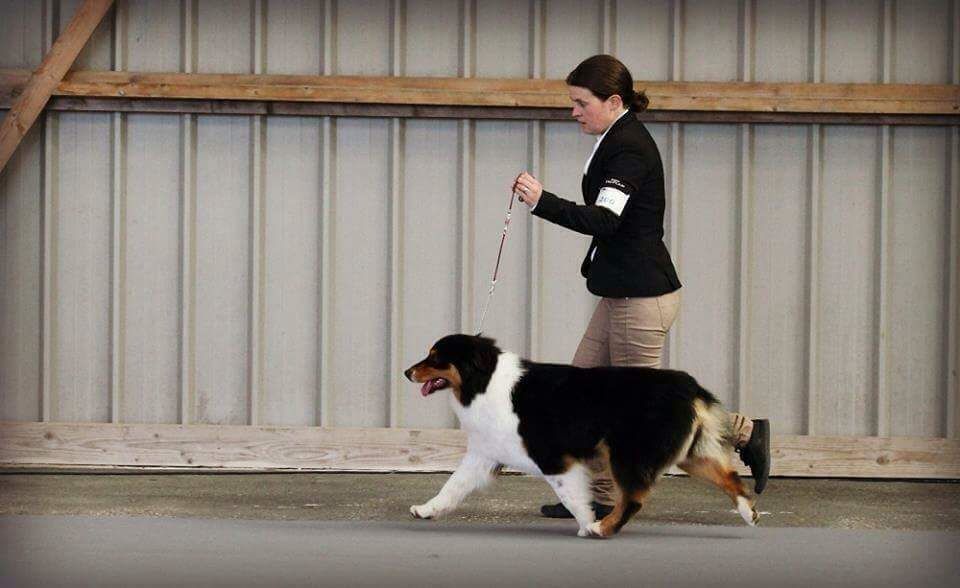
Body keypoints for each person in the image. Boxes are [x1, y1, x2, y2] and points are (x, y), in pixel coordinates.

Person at [511, 54, 770, 519]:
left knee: (645, 409)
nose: (573, 112)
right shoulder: (615, 138)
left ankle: (744, 433)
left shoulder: (629, 148)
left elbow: (605, 220)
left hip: (641, 299)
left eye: (580, 103)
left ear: (612, 101)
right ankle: (600, 496)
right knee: (580, 395)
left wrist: (540, 202)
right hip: (621, 295)